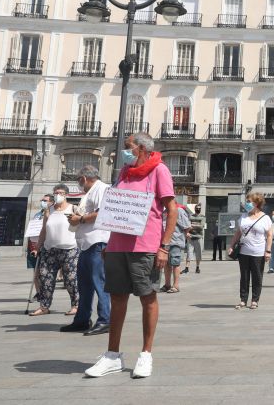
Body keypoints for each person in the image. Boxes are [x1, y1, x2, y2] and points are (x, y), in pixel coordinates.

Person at [84, 132, 177, 379]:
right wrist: (108, 241)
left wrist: (164, 246)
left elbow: (171, 210)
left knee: (147, 296)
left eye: (128, 147)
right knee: (116, 297)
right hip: (117, 245)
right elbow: (114, 207)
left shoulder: (159, 171)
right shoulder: (124, 173)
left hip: (145, 245)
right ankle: (112, 355)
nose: (124, 151)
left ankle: (146, 354)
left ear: (143, 149)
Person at [61, 166, 111, 335]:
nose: (79, 183)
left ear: (83, 178)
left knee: (100, 283)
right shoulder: (90, 192)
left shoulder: (101, 189)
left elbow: (103, 212)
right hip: (86, 244)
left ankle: (105, 320)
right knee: (84, 285)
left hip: (97, 242)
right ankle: (82, 320)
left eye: (78, 180)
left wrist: (80, 219)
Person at [30, 184, 80, 317]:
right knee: (45, 278)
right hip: (49, 249)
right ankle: (44, 306)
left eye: (61, 192)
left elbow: (80, 228)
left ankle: (75, 305)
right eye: (56, 192)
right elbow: (44, 230)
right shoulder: (49, 210)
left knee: (70, 279)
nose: (58, 194)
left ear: (66, 195)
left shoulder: (73, 208)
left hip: (69, 250)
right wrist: (38, 247)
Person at [228, 192, 272, 309]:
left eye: (249, 201)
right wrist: (231, 245)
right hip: (243, 252)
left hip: (258, 252)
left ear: (256, 203)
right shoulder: (244, 216)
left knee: (257, 277)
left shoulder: (265, 218)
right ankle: (243, 300)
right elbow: (238, 232)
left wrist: (268, 251)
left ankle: (255, 300)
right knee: (244, 277)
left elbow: (269, 235)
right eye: (247, 201)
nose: (247, 204)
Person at [160, 203, 191, 294]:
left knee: (175, 263)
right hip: (165, 242)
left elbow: (187, 226)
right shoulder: (165, 211)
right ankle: (167, 285)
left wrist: (185, 234)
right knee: (166, 264)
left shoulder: (179, 210)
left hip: (175, 241)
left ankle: (176, 285)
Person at [28, 194, 52, 303]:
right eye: (42, 200)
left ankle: (45, 293)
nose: (42, 202)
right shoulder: (38, 214)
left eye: (45, 200)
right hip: (33, 245)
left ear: (51, 202)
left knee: (44, 272)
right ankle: (38, 292)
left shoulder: (52, 214)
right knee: (36, 273)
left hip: (46, 246)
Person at [182, 203, 204, 274]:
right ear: (194, 209)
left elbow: (201, 226)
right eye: (197, 208)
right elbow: (187, 225)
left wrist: (192, 226)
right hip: (190, 237)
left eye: (199, 208)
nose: (198, 209)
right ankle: (187, 268)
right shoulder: (190, 216)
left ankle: (197, 267)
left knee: (198, 253)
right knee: (189, 253)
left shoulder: (202, 217)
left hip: (198, 237)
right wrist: (190, 229)